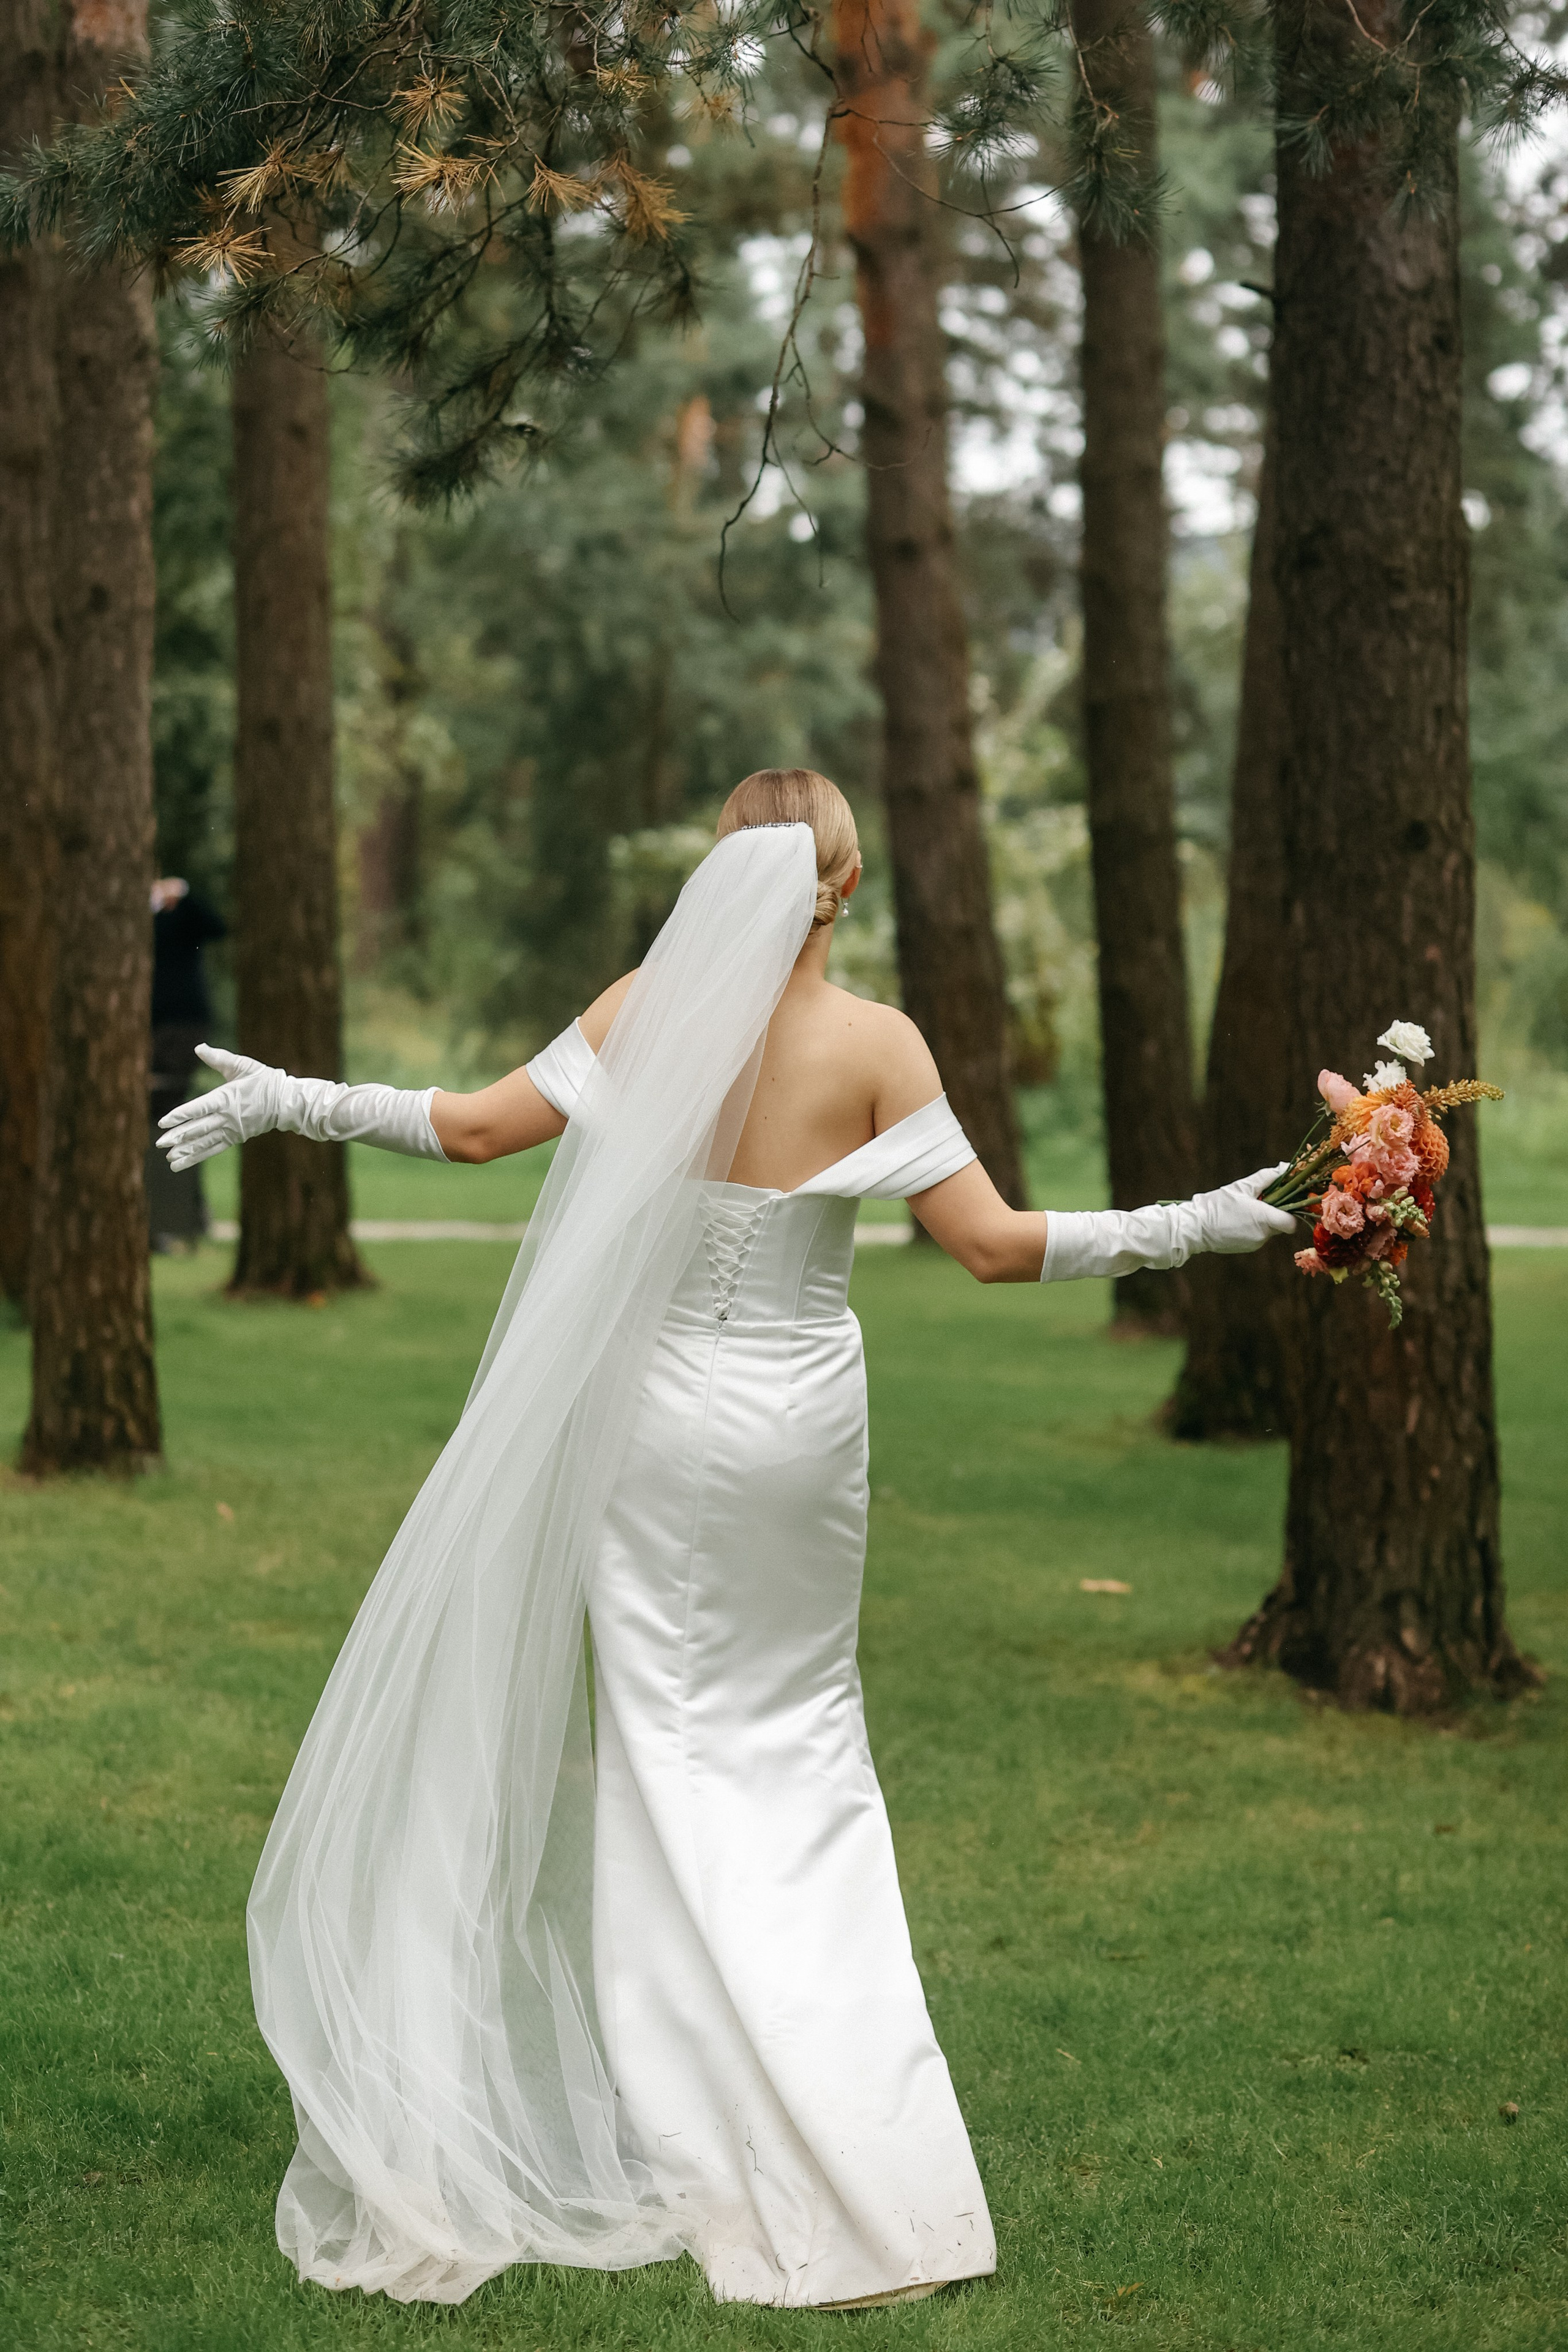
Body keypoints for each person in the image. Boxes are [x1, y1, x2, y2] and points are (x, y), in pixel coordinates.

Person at [158, 771, 1294, 2312]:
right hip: (793, 1432)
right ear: (842, 881)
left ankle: (687, 2093)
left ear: (728, 875)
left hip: (647, 1427)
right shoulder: (876, 1043)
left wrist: (297, 1098)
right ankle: (838, 2119)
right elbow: (988, 1246)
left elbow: (479, 1130)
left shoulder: (646, 1008)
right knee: (796, 1742)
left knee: (662, 1742)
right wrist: (1196, 1220)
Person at [146, 876, 227, 1251]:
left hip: (182, 1026)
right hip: (148, 1026)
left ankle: (179, 1218)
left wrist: (185, 896)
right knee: (157, 1118)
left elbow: (217, 928)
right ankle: (166, 1220)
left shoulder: (183, 916)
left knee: (170, 1114)